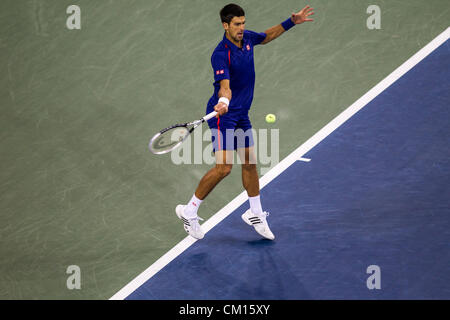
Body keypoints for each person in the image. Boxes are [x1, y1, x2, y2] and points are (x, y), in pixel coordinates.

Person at [176, 3, 314, 240]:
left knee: (250, 163)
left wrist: (292, 21)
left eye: (243, 23)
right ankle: (189, 211)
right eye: (237, 24)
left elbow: (267, 36)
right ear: (225, 25)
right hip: (223, 115)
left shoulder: (247, 38)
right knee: (224, 168)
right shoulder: (220, 54)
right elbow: (225, 87)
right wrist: (224, 101)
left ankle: (255, 212)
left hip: (241, 113)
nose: (242, 28)